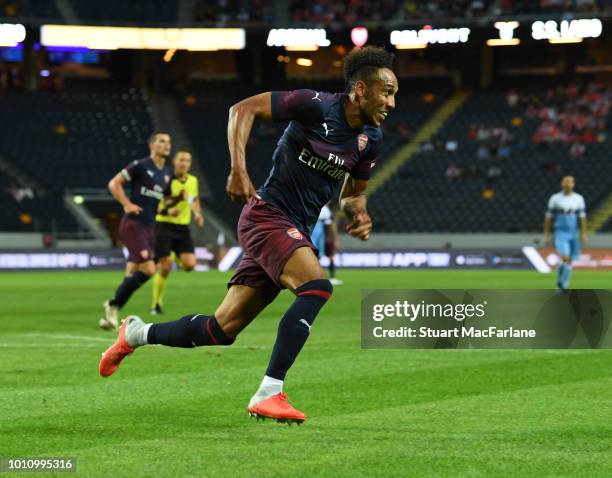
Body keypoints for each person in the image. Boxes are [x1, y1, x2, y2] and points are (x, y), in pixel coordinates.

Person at [99, 46, 398, 424]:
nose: (392, 102)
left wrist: (360, 213)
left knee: (221, 329)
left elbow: (354, 192)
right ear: (359, 90)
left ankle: (136, 334)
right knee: (317, 287)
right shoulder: (315, 106)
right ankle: (270, 391)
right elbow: (242, 109)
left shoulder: (370, 139)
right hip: (267, 216)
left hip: (294, 229)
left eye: (394, 94)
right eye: (386, 92)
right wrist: (237, 169)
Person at [99, 132, 173, 330]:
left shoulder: (166, 172)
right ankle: (113, 305)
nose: (166, 145)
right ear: (152, 145)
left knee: (131, 273)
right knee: (149, 269)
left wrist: (168, 209)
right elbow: (114, 183)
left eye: (168, 142)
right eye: (162, 141)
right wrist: (126, 204)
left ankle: (110, 315)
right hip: (133, 224)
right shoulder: (140, 165)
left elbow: (160, 200)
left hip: (149, 227)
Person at [151, 149, 205, 315]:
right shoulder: (165, 180)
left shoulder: (193, 180)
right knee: (165, 266)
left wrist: (197, 214)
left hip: (182, 228)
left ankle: (174, 254)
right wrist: (174, 203)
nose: (184, 163)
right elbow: (160, 203)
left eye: (187, 160)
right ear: (175, 162)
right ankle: (156, 304)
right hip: (164, 225)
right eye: (181, 160)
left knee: (189, 265)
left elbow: (193, 199)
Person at [543, 175, 587, 292]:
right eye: (566, 182)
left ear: (573, 184)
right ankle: (563, 286)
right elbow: (548, 218)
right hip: (560, 232)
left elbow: (582, 218)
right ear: (562, 184)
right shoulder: (555, 199)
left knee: (570, 260)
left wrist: (583, 233)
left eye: (570, 182)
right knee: (565, 257)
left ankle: (561, 283)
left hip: (573, 233)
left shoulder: (579, 199)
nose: (568, 184)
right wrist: (546, 235)